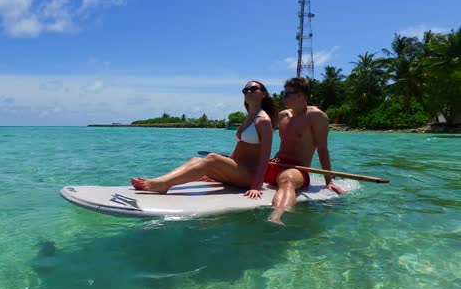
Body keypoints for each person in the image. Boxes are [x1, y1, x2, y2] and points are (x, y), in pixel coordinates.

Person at [131, 80, 278, 200]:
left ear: (263, 94)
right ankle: (160, 180)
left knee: (212, 157)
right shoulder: (249, 117)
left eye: (253, 89)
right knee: (196, 160)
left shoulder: (263, 121)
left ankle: (163, 185)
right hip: (236, 170)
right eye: (245, 90)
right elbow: (238, 152)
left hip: (249, 176)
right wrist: (219, 171)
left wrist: (256, 186)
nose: (248, 92)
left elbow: (265, 157)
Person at [265, 77, 345, 226]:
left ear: (301, 95)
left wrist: (329, 181)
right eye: (284, 93)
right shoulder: (282, 115)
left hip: (296, 170)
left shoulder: (316, 116)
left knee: (288, 179)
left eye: (288, 94)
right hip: (275, 164)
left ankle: (276, 215)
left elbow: (322, 149)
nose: (284, 98)